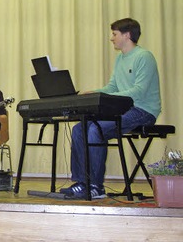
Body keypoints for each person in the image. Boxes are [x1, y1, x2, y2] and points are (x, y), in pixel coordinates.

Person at [62, 18, 161, 199]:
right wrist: (94, 92)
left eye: (114, 34)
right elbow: (113, 87)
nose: (111, 38)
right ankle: (82, 182)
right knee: (79, 129)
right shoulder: (120, 59)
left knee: (96, 131)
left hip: (143, 111)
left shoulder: (144, 57)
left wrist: (105, 97)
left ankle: (96, 186)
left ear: (127, 35)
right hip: (124, 109)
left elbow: (139, 91)